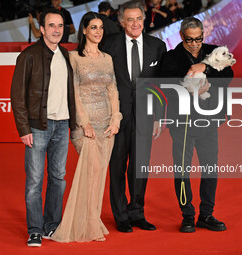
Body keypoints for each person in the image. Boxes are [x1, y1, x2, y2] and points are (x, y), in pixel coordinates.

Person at [51, 11, 122, 242]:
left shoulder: (107, 58)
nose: (98, 32)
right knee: (89, 173)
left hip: (107, 127)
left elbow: (112, 90)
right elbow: (74, 92)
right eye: (93, 27)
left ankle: (92, 218)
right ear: (83, 30)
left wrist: (115, 119)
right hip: (86, 126)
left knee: (100, 174)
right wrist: (84, 123)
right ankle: (85, 222)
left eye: (101, 27)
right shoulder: (74, 58)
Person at [160, 16, 233, 233]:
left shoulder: (214, 52)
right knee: (182, 170)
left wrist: (206, 67)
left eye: (198, 39)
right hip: (182, 124)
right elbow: (166, 86)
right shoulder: (171, 58)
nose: (194, 44)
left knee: (210, 168)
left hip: (208, 121)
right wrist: (192, 91)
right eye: (190, 40)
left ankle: (207, 215)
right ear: (182, 36)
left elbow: (228, 73)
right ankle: (188, 215)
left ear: (203, 35)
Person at [10, 8, 76, 247]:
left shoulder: (67, 56)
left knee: (58, 179)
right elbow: (17, 96)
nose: (57, 30)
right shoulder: (28, 56)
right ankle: (35, 229)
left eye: (60, 26)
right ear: (41, 29)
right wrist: (23, 128)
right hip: (38, 127)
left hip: (63, 126)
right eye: (51, 25)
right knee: (35, 182)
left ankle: (52, 225)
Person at [102, 1, 166, 233]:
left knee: (140, 167)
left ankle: (137, 212)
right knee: (117, 166)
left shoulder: (157, 46)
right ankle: (121, 216)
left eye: (138, 18)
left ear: (144, 18)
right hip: (116, 117)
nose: (135, 23)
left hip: (145, 116)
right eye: (130, 19)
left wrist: (159, 117)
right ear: (121, 22)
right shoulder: (109, 45)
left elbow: (161, 85)